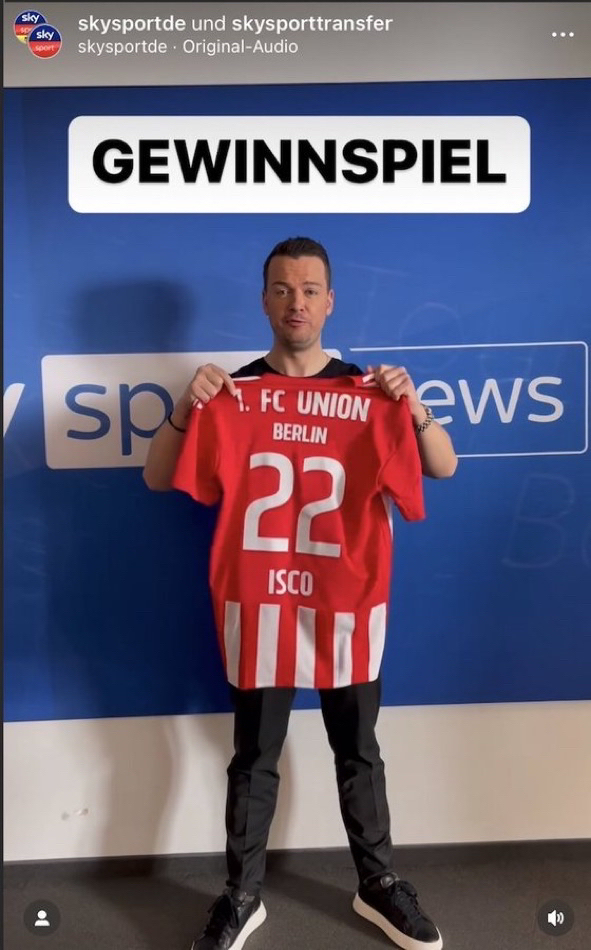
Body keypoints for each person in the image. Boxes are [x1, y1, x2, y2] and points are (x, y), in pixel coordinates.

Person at [143, 237, 457, 950]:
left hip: (345, 600)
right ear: (265, 300)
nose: (296, 302)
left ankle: (378, 883)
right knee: (254, 755)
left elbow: (443, 466)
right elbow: (158, 477)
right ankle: (241, 894)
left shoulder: (369, 394)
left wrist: (412, 407)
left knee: (358, 749)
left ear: (330, 302)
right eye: (283, 289)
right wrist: (188, 405)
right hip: (260, 602)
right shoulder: (231, 394)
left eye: (310, 289)